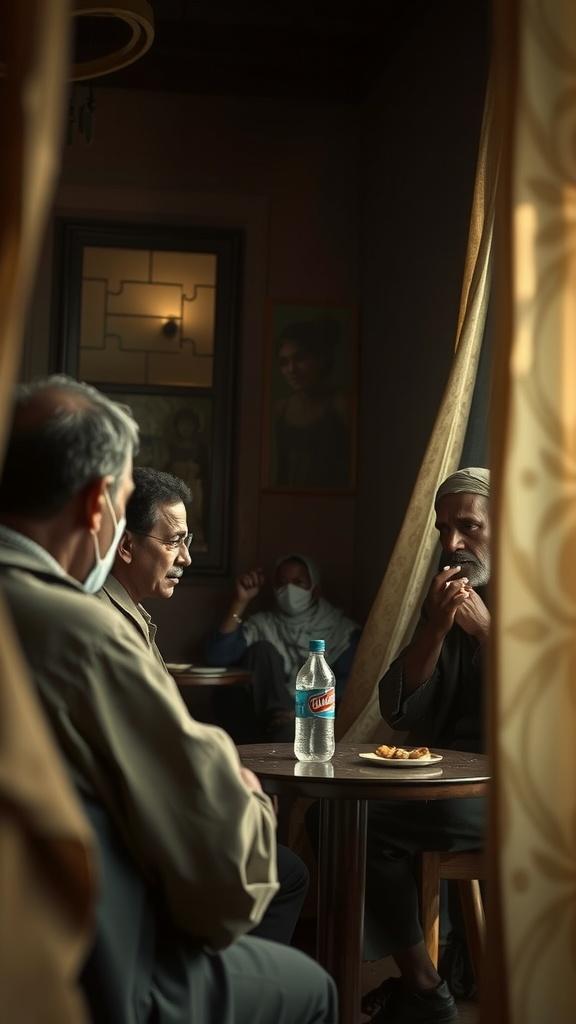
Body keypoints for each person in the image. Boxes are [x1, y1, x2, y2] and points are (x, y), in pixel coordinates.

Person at [0, 376, 337, 1024]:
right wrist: (237, 789)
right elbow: (223, 875)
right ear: (99, 503)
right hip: (91, 965)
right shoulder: (82, 633)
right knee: (311, 988)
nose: (183, 555)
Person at [101, 464, 310, 945]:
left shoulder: (131, 616)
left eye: (188, 540)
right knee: (287, 873)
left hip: (156, 811)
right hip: (145, 830)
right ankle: (225, 991)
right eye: (172, 541)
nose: (187, 558)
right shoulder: (109, 626)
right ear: (126, 544)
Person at [359, 467, 490, 1024]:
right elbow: (399, 706)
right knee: (338, 817)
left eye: (468, 527)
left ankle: (425, 990)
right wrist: (436, 629)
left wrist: (488, 631)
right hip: (452, 778)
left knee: (366, 824)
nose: (452, 544)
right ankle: (424, 981)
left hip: (530, 792)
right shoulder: (448, 595)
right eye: (443, 529)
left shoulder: (555, 591)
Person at [205, 554, 361, 741]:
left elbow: (348, 688)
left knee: (291, 730)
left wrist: (301, 712)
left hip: (316, 721)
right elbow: (217, 657)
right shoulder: (263, 625)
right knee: (261, 650)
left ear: (315, 590)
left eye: (298, 582)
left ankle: (287, 725)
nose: (289, 589)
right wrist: (241, 601)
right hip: (266, 721)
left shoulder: (340, 630)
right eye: (282, 582)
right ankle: (281, 719)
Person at [274, 320, 352, 489]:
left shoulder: (340, 406)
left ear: (320, 358)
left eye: (299, 358)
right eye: (284, 362)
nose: (291, 369)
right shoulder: (281, 409)